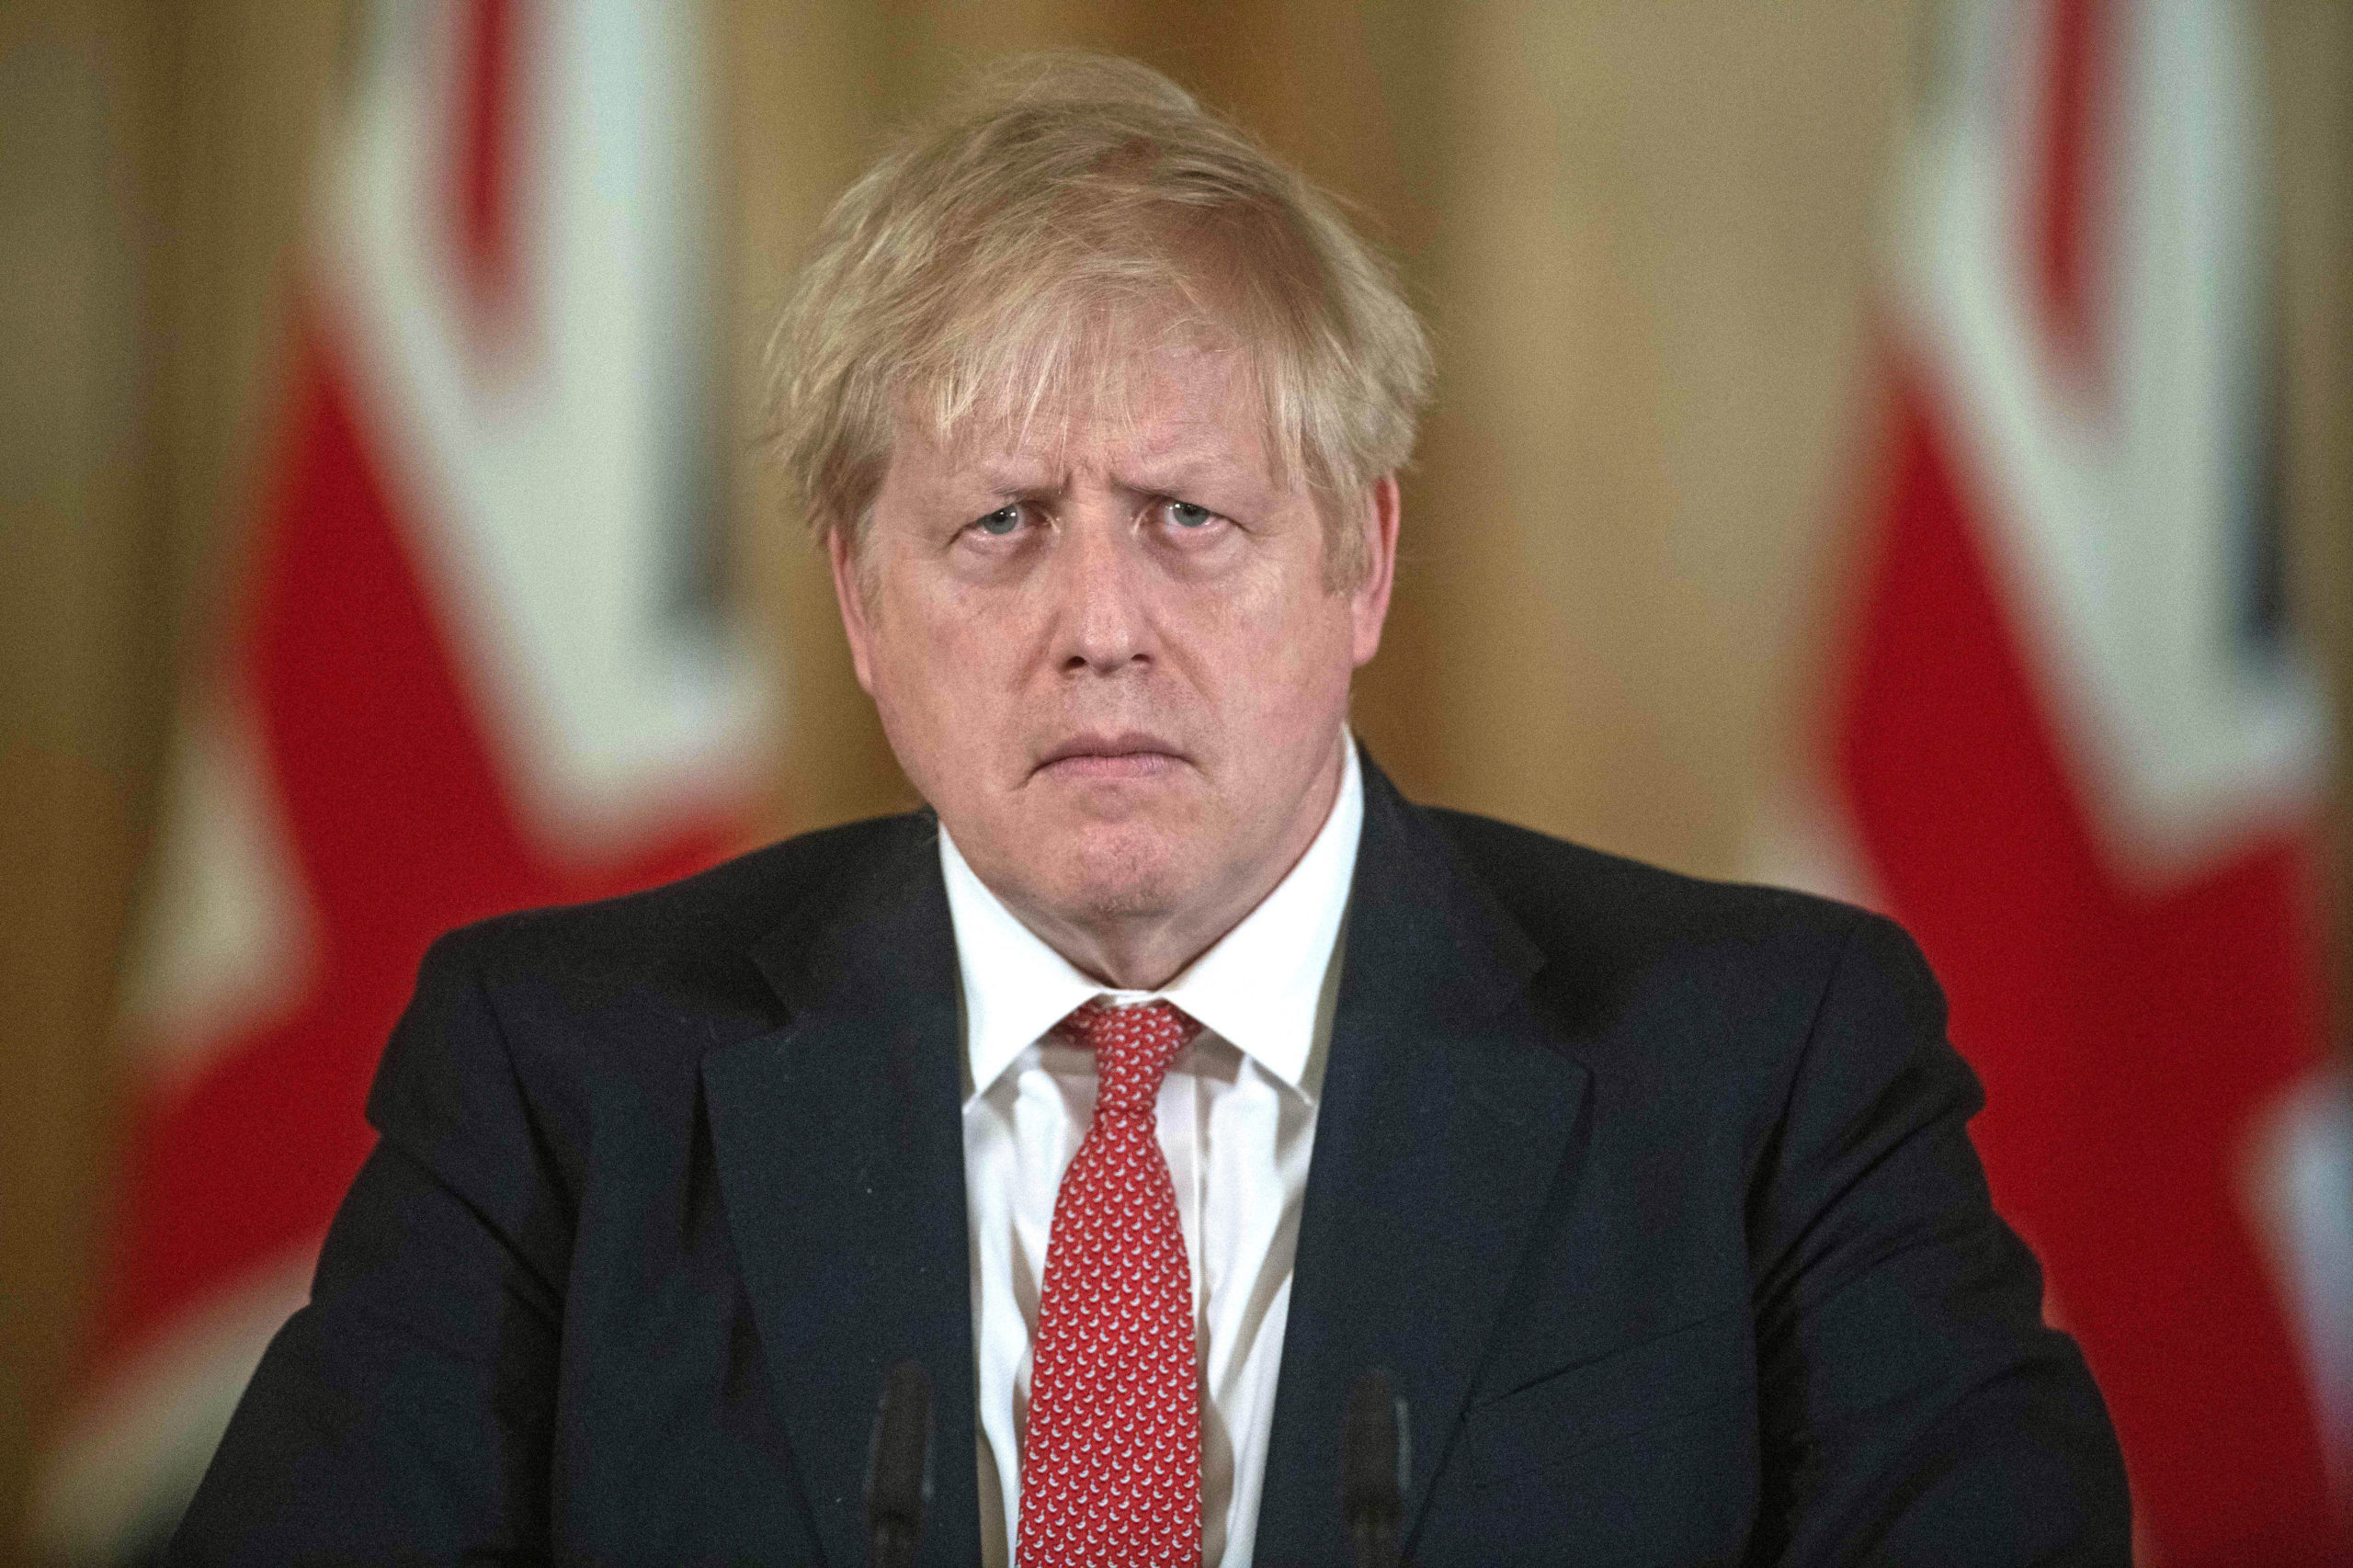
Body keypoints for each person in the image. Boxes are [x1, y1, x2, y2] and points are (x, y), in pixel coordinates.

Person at [169, 53, 2128, 1566]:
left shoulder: (1763, 1068)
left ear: (1358, 563)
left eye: (1188, 520)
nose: (1096, 628)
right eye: (999, 525)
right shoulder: (562, 1080)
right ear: (861, 596)